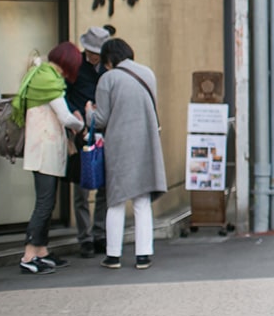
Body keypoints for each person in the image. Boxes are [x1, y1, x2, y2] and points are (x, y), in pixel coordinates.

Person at [86, 38, 167, 272]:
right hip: (147, 143)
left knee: (116, 201)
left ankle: (113, 255)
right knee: (142, 201)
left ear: (109, 59)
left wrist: (89, 112)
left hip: (120, 145)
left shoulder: (108, 79)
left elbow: (101, 119)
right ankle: (143, 255)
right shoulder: (148, 73)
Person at [17, 42, 87, 275]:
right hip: (44, 149)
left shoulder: (44, 75)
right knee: (45, 203)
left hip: (44, 148)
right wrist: (81, 125)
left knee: (48, 202)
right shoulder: (49, 80)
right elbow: (66, 117)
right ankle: (29, 254)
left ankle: (41, 251)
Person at [66, 26, 110, 258]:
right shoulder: (75, 67)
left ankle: (100, 233)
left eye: (98, 53)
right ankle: (85, 238)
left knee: (104, 186)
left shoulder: (108, 68)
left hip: (105, 130)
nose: (94, 56)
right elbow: (65, 94)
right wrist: (75, 114)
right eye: (91, 52)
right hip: (81, 130)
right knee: (81, 187)